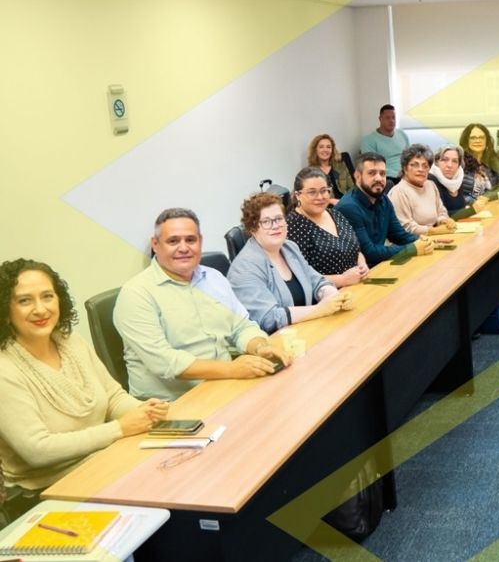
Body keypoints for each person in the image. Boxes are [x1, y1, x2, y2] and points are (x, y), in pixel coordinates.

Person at [0, 260, 169, 515]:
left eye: (47, 296)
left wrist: (145, 411)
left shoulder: (71, 341)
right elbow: (38, 450)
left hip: (103, 460)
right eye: (24, 301)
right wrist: (120, 428)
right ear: (5, 310)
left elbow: (112, 397)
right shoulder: (5, 369)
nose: (40, 309)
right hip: (48, 493)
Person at [114, 208, 292, 401]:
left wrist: (259, 347)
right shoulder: (136, 294)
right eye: (173, 241)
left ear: (200, 241)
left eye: (190, 240)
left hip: (224, 386)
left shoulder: (213, 278)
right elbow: (165, 362)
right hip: (171, 405)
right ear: (155, 245)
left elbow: (241, 326)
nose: (183, 248)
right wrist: (231, 369)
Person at [228, 193, 353, 333]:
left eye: (279, 219)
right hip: (277, 341)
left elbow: (316, 281)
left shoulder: (289, 248)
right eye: (266, 222)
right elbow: (268, 318)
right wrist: (319, 309)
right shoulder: (244, 268)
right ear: (252, 228)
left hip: (306, 330)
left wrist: (333, 296)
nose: (275, 226)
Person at [338, 152, 434, 267]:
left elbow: (399, 235)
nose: (379, 178)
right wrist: (411, 248)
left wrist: (423, 241)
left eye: (382, 173)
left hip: (379, 265)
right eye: (372, 173)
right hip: (359, 271)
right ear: (357, 176)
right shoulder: (348, 207)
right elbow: (369, 253)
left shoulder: (383, 200)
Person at [286, 167, 370, 288]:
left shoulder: (335, 214)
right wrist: (342, 280)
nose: (320, 197)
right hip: (327, 294)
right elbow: (300, 276)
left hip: (358, 285)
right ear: (298, 195)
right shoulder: (293, 226)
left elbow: (355, 250)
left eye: (324, 191)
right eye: (312, 192)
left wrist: (362, 264)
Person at [388, 144, 457, 236]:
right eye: (415, 165)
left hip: (433, 237)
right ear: (405, 168)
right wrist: (433, 231)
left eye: (425, 166)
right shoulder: (398, 192)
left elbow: (441, 212)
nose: (421, 169)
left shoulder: (431, 185)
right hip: (410, 242)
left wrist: (444, 221)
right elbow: (405, 227)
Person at [428, 144, 489, 218]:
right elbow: (439, 216)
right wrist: (471, 210)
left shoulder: (457, 179)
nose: (449, 165)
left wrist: (475, 202)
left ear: (459, 165)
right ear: (436, 162)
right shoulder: (430, 180)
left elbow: (461, 206)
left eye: (455, 161)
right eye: (445, 160)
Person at [360, 104, 410, 179]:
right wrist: (397, 174)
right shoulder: (368, 140)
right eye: (387, 118)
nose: (391, 121)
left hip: (407, 172)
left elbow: (410, 156)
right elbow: (371, 165)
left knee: (428, 177)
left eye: (393, 117)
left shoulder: (402, 134)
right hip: (388, 177)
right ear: (380, 119)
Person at [458, 123, 499, 197]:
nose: (478, 141)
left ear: (487, 141)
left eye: (481, 137)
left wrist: (487, 197)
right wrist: (472, 201)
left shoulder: (493, 160)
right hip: (468, 203)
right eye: (473, 138)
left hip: (490, 202)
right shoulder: (459, 161)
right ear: (466, 141)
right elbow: (454, 193)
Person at [307, 133, 354, 205]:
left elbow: (352, 188)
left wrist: (347, 202)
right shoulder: (310, 172)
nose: (325, 150)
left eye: (328, 147)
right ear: (315, 150)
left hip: (346, 203)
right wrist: (330, 201)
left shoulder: (340, 165)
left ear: (332, 150)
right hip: (327, 206)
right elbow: (313, 197)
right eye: (321, 147)